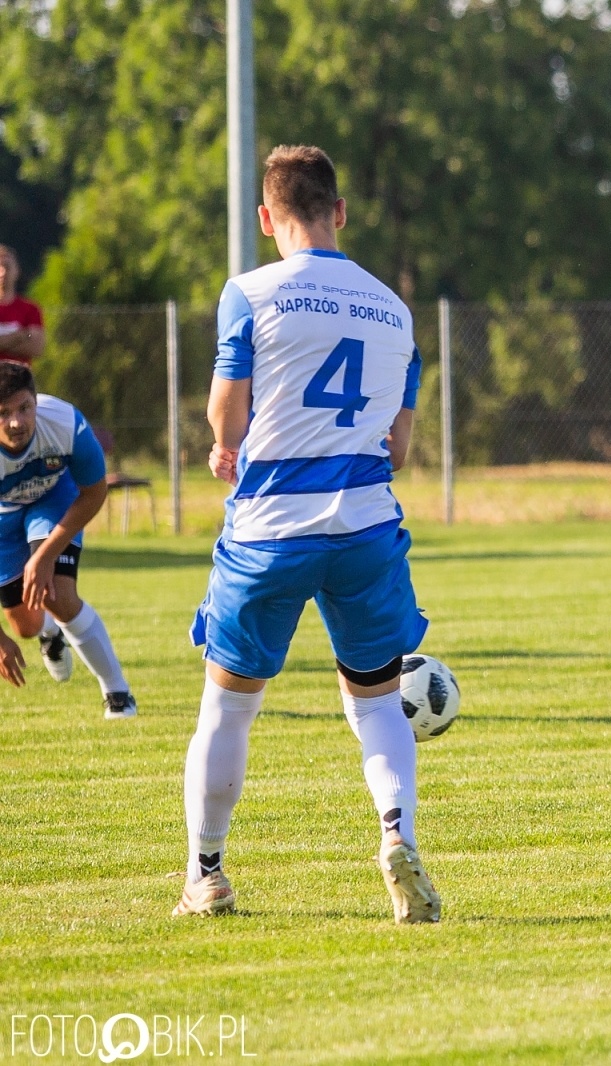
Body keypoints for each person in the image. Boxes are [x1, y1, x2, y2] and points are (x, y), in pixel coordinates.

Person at [175, 145, 438, 923]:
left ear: (266, 218)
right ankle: (397, 835)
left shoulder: (249, 294)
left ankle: (208, 874)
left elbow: (227, 408)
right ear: (340, 212)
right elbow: (399, 447)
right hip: (364, 526)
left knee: (227, 711)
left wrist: (228, 442)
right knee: (378, 706)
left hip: (271, 529)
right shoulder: (395, 309)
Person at [0, 363, 136, 713]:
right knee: (25, 625)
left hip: (53, 498)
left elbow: (94, 492)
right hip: (3, 516)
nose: (16, 422)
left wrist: (45, 555)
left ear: (35, 401)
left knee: (58, 595)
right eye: (3, 413)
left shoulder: (64, 423)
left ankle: (118, 694)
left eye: (24, 408)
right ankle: (49, 632)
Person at [0, 246, 45, 367]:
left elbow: (36, 347)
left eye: (7, 267)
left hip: (18, 380)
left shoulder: (30, 309)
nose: (3, 272)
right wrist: (19, 336)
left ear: (17, 271)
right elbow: (28, 338)